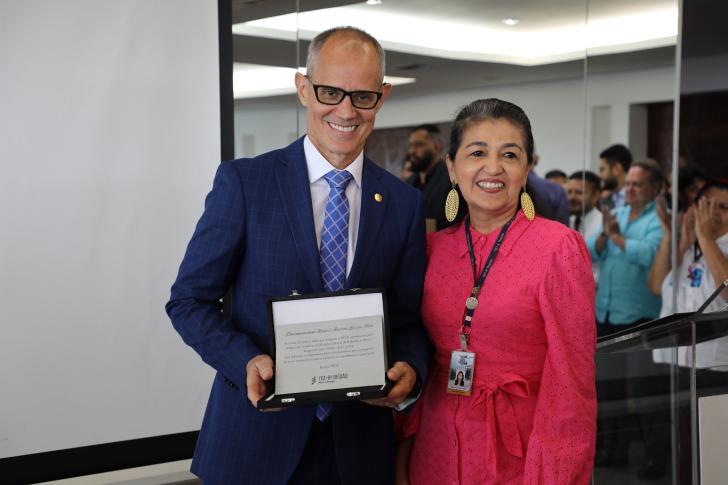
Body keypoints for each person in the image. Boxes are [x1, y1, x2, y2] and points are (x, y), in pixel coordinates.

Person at [166, 26, 430, 485]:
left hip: (358, 449)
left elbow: (406, 319)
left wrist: (410, 370)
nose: (346, 111)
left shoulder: (404, 205)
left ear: (383, 97)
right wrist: (244, 360)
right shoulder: (245, 183)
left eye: (363, 96)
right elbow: (189, 301)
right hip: (252, 442)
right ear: (303, 88)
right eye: (330, 91)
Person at [396, 98, 596, 484]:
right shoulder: (433, 249)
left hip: (517, 453)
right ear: (452, 167)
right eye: (477, 152)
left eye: (509, 154)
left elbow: (572, 386)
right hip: (435, 447)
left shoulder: (557, 248)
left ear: (527, 167)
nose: (493, 167)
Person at [405, 124, 456, 231]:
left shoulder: (452, 181)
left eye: (419, 145)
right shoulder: (408, 184)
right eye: (411, 145)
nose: (412, 151)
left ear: (436, 146)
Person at [566, 170, 603, 282]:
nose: (572, 197)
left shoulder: (603, 225)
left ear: (596, 195)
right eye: (569, 192)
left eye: (579, 192)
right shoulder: (567, 222)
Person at [598, 144, 633, 209]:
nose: (600, 176)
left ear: (617, 169)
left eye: (602, 170)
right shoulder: (602, 202)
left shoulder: (641, 199)